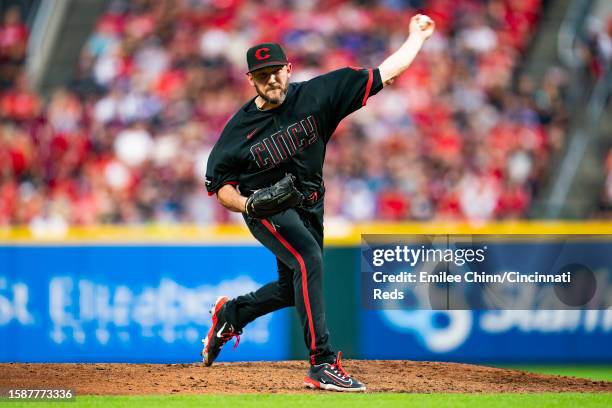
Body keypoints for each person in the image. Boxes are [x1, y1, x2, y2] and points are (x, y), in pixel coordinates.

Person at [202, 14, 435, 392]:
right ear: (251, 80)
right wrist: (247, 205)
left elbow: (385, 73)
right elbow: (219, 185)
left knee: (291, 286)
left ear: (288, 69)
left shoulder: (319, 94)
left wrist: (416, 38)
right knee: (308, 260)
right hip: (266, 209)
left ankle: (231, 313)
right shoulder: (237, 132)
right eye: (262, 74)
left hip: (310, 202)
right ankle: (322, 363)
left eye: (276, 71)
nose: (271, 79)